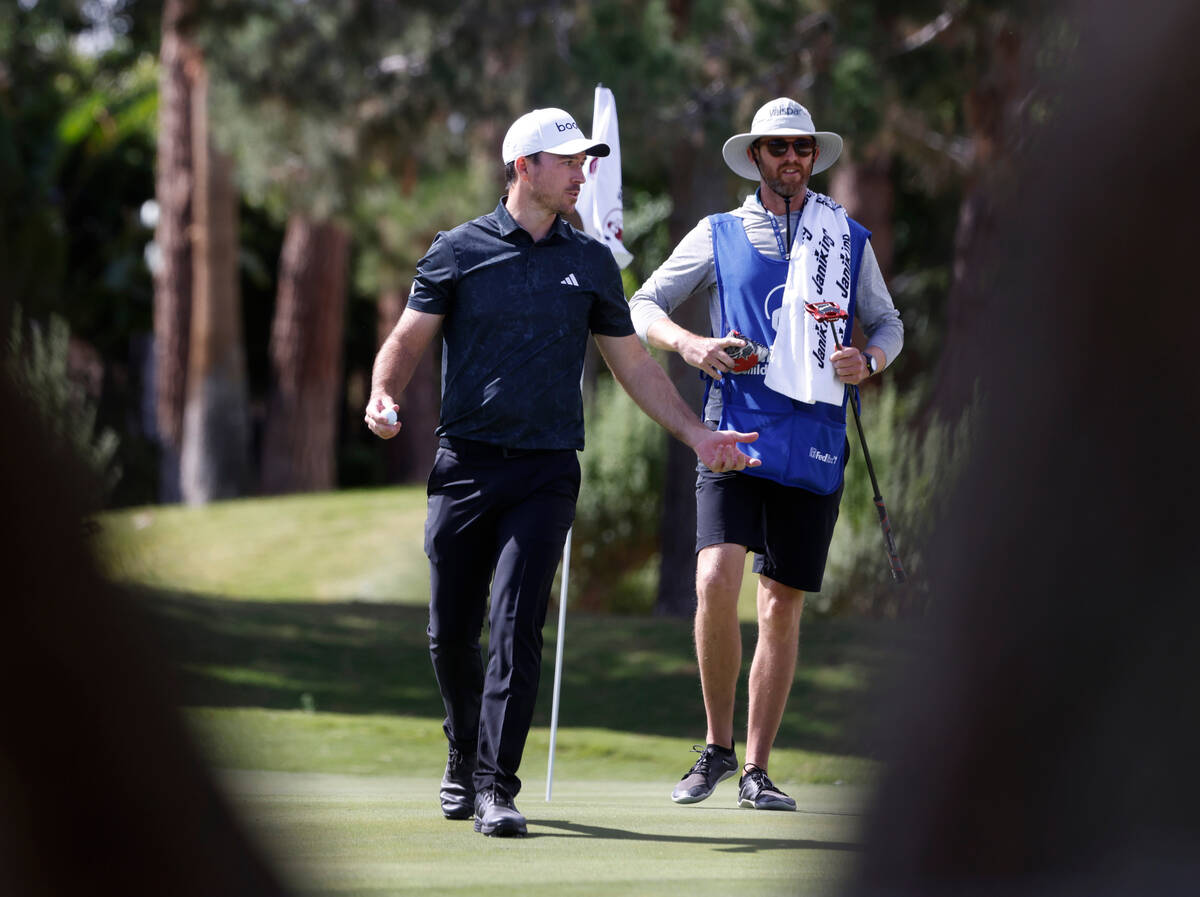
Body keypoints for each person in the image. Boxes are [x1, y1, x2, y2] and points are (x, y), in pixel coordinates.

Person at [364, 106, 761, 838]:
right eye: (570, 160)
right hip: (465, 466)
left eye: (587, 160)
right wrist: (383, 394)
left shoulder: (592, 262)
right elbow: (405, 340)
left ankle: (494, 786)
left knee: (517, 623)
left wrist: (699, 434)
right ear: (524, 168)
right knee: (450, 632)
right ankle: (463, 751)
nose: (585, 171)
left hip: (546, 471)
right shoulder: (458, 250)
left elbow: (634, 364)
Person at [628, 97, 904, 811]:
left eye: (802, 148)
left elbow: (889, 323)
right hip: (734, 434)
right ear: (755, 156)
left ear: (814, 157)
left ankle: (756, 768)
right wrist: (690, 344)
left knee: (780, 605)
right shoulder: (717, 232)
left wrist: (869, 360)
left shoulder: (845, 237)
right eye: (778, 147)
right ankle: (717, 747)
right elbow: (642, 306)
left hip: (814, 442)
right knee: (715, 579)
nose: (791, 159)